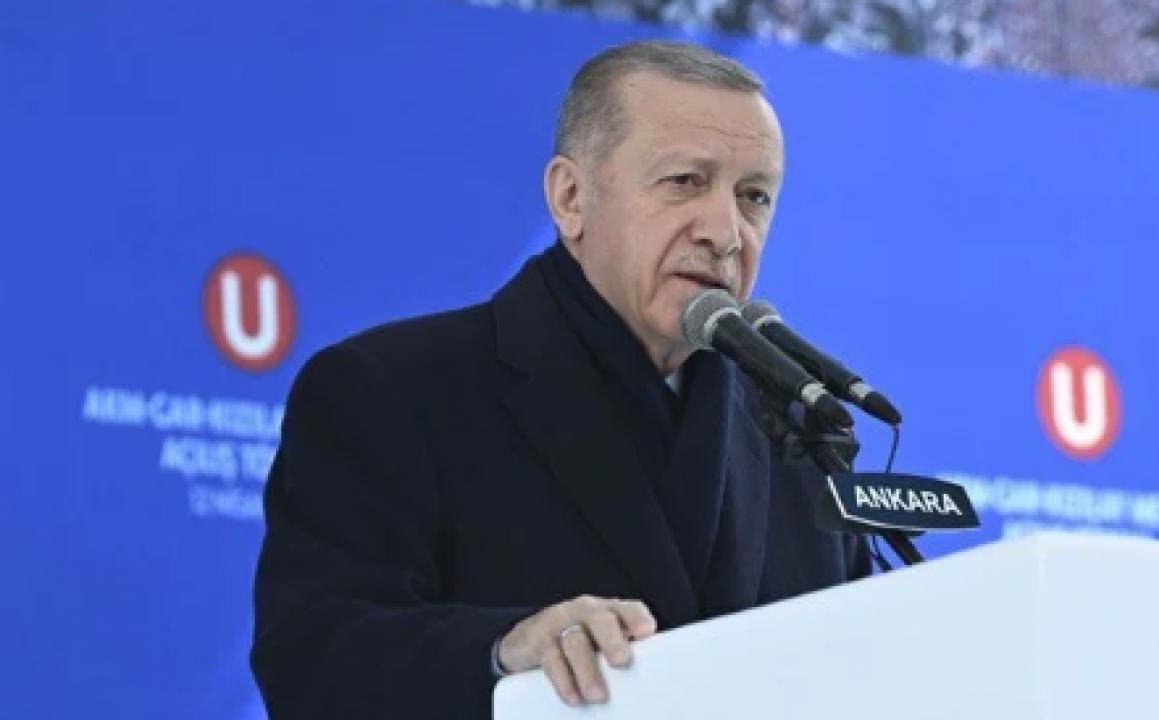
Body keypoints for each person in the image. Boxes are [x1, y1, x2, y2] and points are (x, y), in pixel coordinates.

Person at [250, 40, 871, 719]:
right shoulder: (388, 391)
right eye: (684, 181)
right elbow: (311, 663)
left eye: (754, 197)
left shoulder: (797, 434)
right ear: (570, 198)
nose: (726, 232)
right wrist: (501, 653)